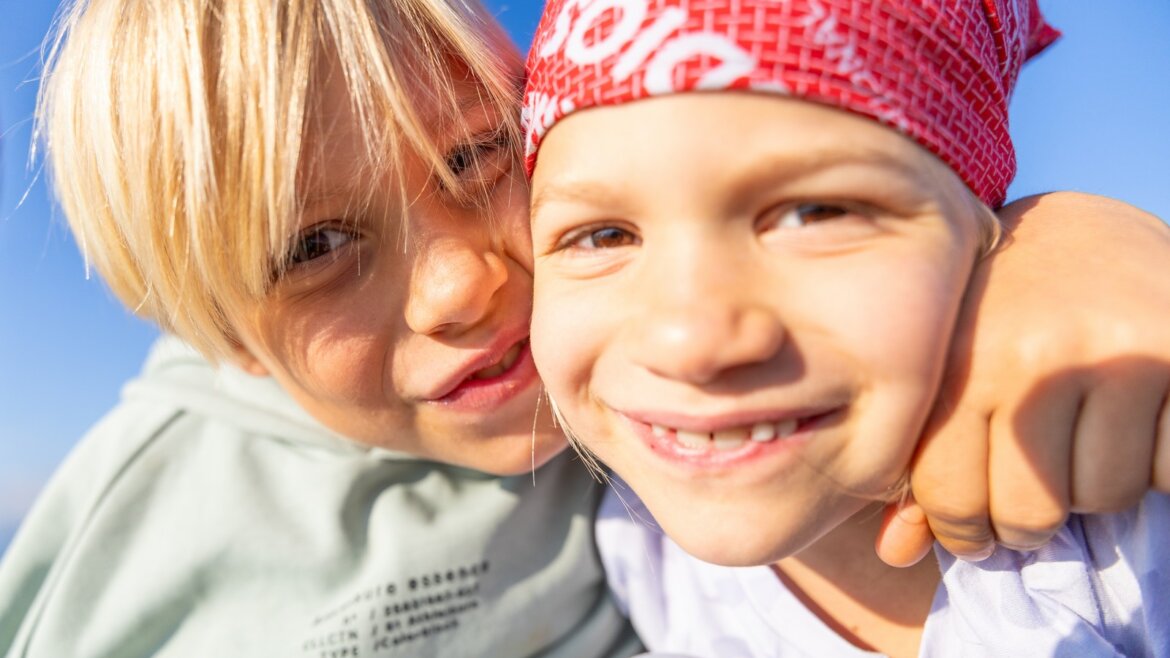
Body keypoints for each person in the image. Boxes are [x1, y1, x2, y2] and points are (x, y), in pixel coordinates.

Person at [1, 0, 1168, 656]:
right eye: (313, 248)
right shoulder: (129, 547)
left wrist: (1060, 243)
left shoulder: (642, 474)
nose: (460, 287)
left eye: (477, 158)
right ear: (229, 341)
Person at [523, 0, 1170, 656]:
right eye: (603, 236)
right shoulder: (639, 558)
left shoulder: (1135, 529)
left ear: (983, 238)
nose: (689, 344)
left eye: (815, 214)